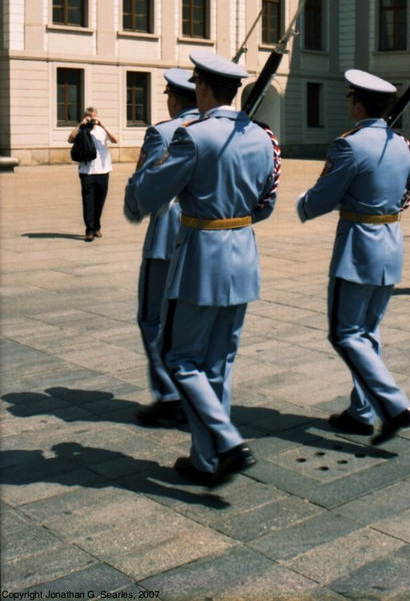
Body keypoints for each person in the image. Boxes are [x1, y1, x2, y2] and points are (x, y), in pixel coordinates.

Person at [124, 50, 280, 487]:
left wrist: (138, 187)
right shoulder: (263, 137)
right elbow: (266, 204)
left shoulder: (192, 137)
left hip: (200, 260)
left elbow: (148, 195)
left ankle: (227, 442)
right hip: (244, 256)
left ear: (204, 89)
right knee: (219, 362)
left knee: (179, 358)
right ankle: (206, 459)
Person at [297, 69, 410, 446]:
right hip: (390, 243)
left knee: (345, 333)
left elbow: (323, 198)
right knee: (367, 331)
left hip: (358, 247)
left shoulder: (347, 145)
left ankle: (393, 405)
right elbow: (406, 196)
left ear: (357, 104)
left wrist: (304, 204)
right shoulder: (401, 144)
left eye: (351, 98)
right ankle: (362, 411)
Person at [124, 69, 199, 427]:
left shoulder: (164, 132)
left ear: (173, 98)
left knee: (152, 317)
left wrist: (132, 205)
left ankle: (170, 395)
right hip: (205, 237)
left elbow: (144, 185)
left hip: (167, 237)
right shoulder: (216, 129)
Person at [68, 108, 117, 242]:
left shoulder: (102, 130)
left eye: (93, 116)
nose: (92, 119)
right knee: (88, 201)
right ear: (85, 116)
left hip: (103, 170)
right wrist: (80, 125)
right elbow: (70, 139)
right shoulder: (82, 129)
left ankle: (96, 227)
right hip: (86, 171)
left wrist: (103, 125)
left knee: (100, 201)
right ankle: (89, 230)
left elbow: (115, 140)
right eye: (89, 116)